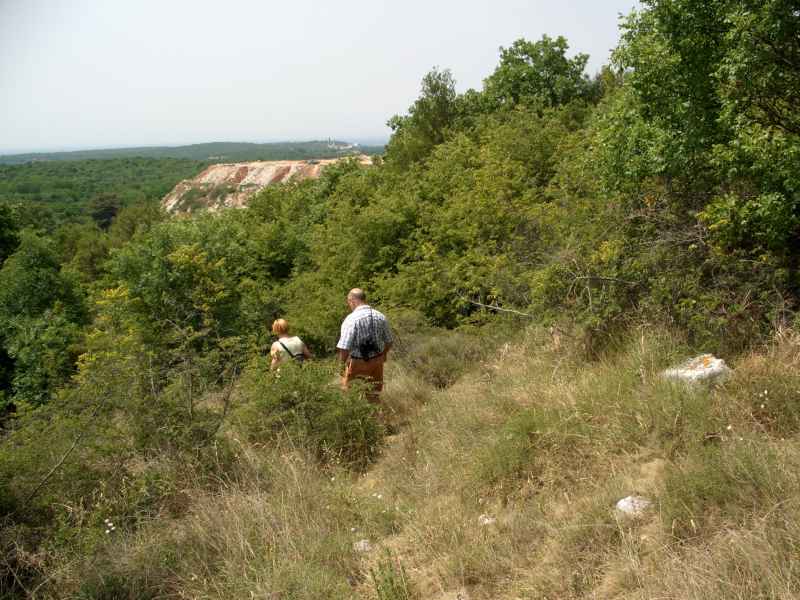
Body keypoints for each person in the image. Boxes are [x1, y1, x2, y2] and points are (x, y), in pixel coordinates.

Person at [337, 288, 393, 403]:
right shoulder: (380, 316)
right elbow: (389, 341)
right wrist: (383, 355)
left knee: (350, 395)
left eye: (348, 302)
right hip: (377, 361)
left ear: (352, 300)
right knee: (374, 394)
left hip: (358, 363)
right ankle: (376, 418)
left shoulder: (351, 319)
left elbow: (344, 347)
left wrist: (341, 366)